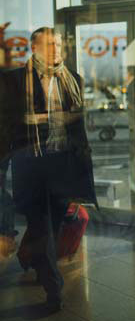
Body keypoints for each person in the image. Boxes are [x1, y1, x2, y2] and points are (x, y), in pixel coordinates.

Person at [0, 27, 97, 313]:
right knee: (42, 227)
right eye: (49, 44)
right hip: (29, 165)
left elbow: (78, 128)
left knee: (51, 229)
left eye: (58, 44)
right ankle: (54, 290)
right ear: (34, 48)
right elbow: (5, 126)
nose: (56, 49)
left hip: (62, 166)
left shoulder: (73, 79)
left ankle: (30, 257)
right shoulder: (13, 80)